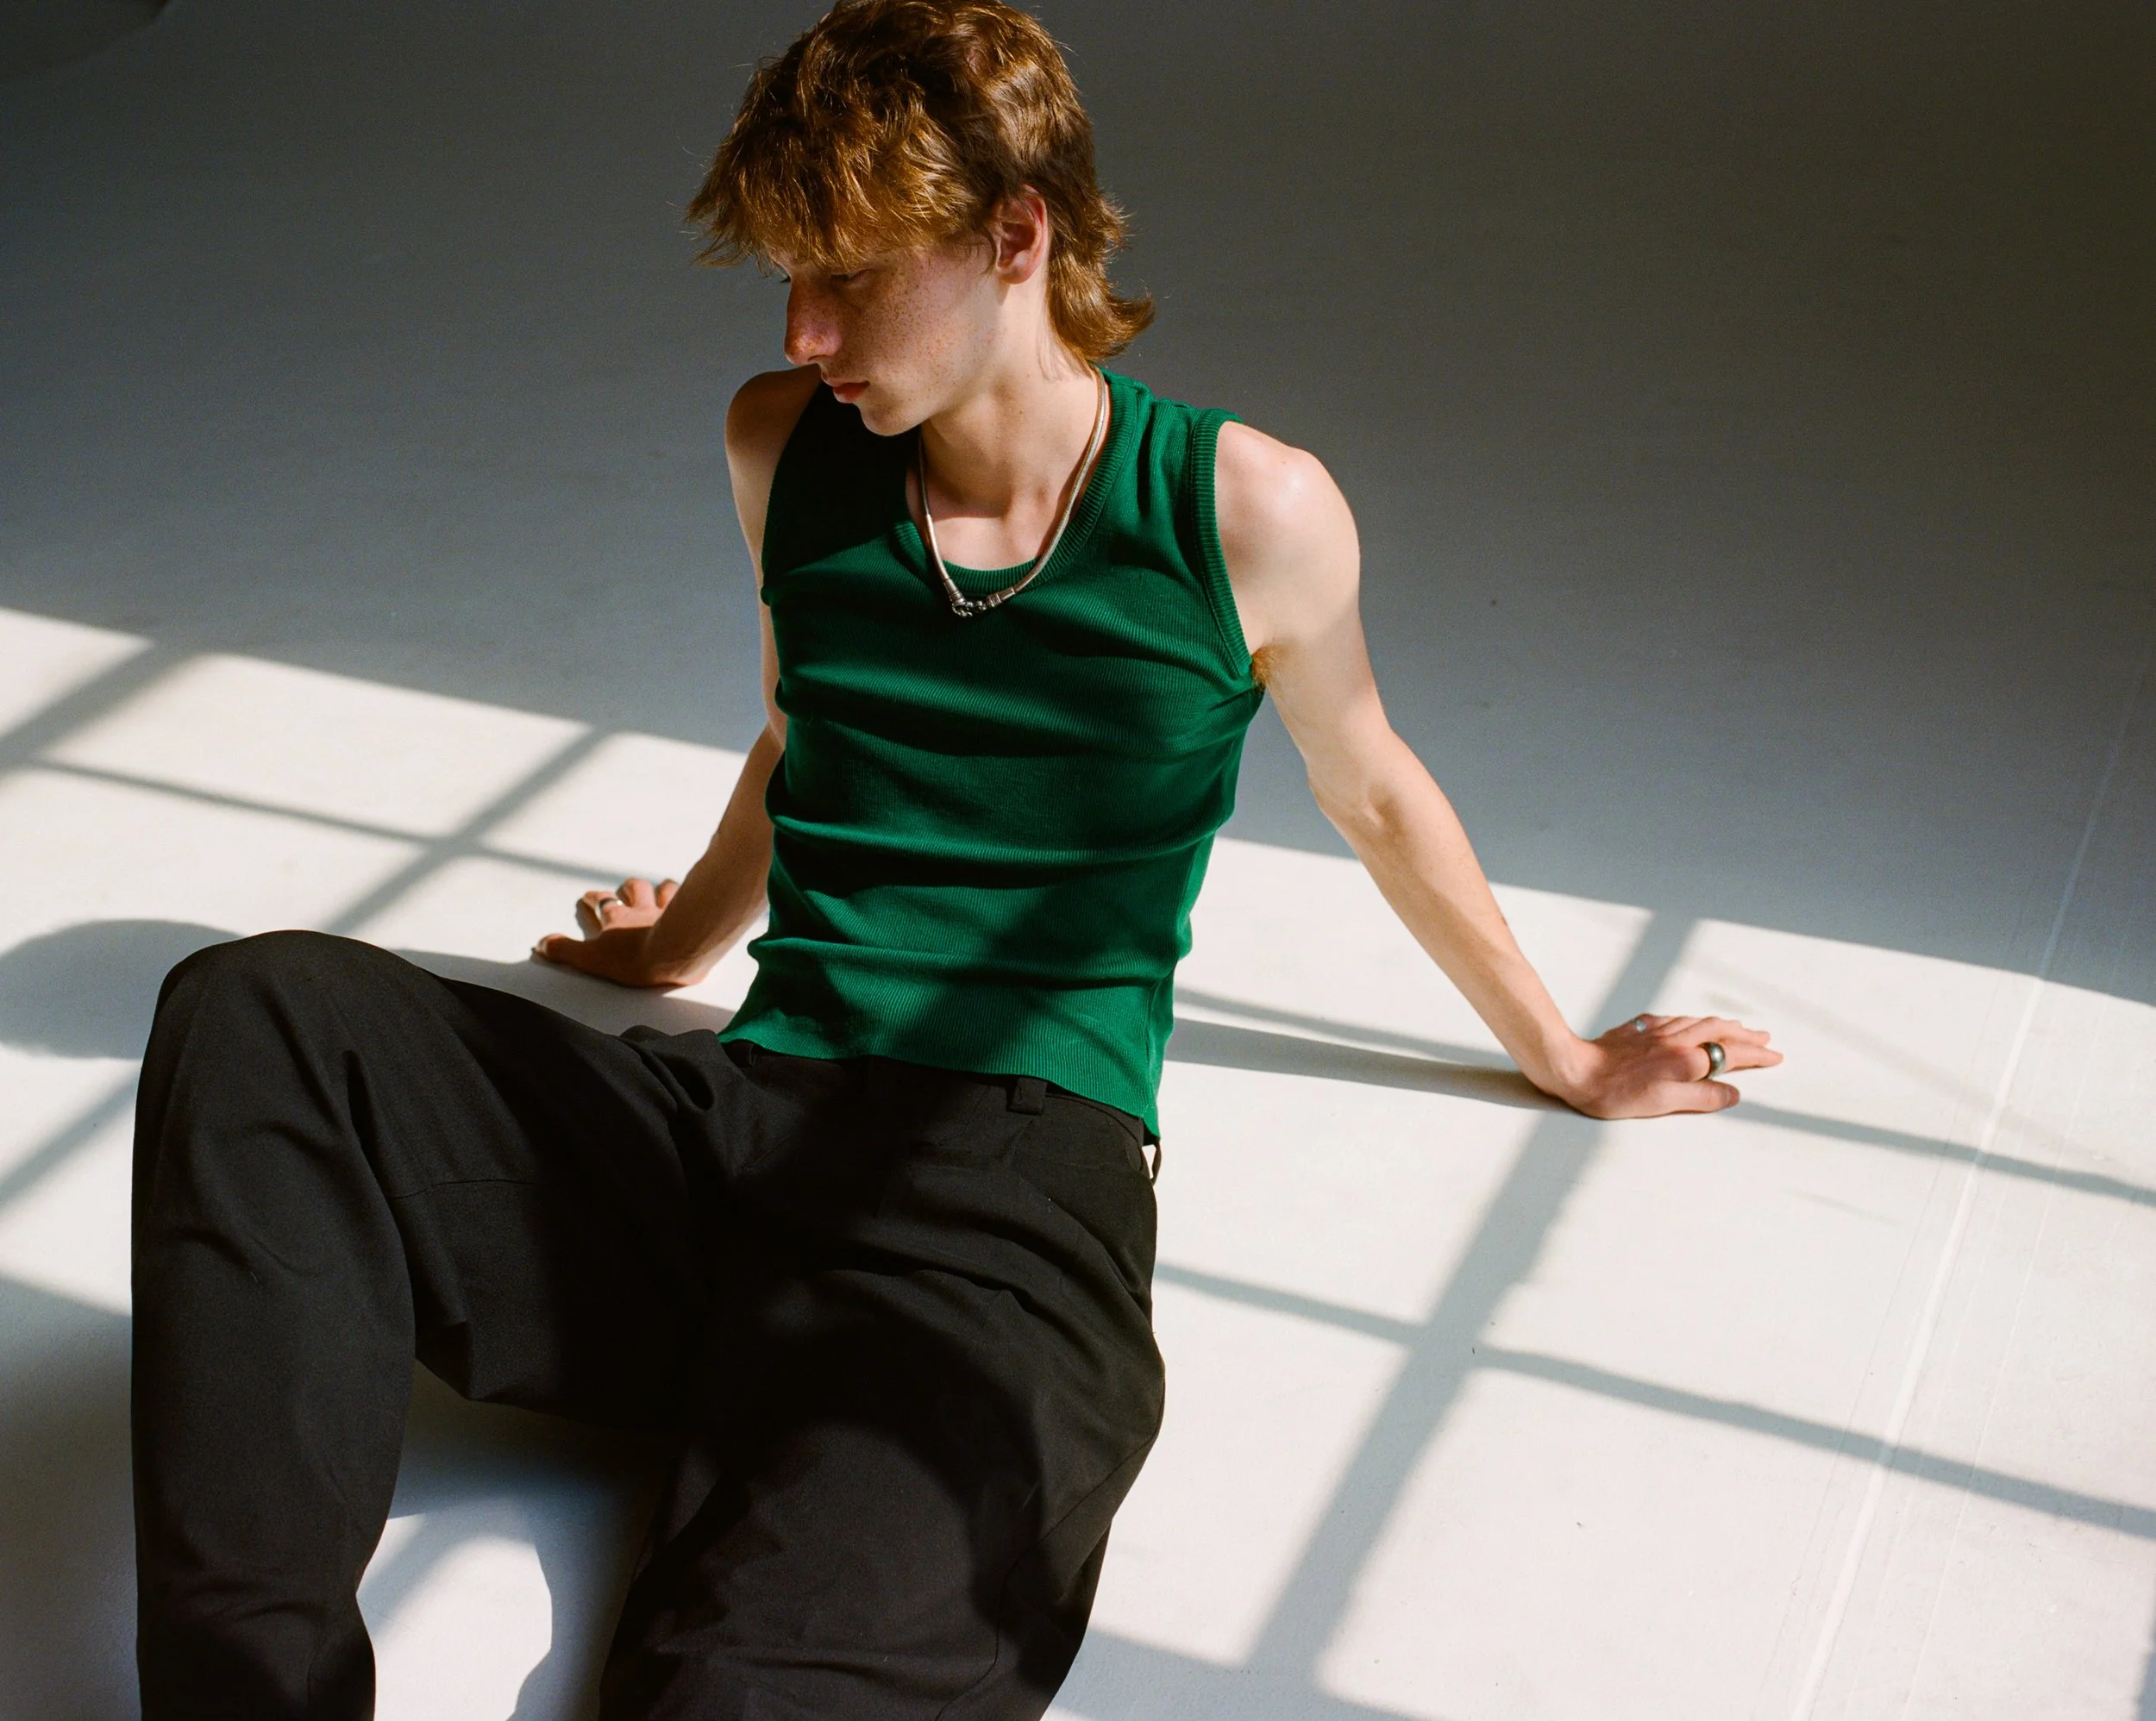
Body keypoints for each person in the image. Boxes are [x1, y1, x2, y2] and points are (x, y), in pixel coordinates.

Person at [129, 2, 1780, 1716]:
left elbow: (1371, 789)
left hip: (1000, 1218)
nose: (803, 325)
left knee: (739, 1690)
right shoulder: (784, 445)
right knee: (266, 1012)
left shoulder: (1243, 509)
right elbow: (803, 733)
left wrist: (1573, 1056)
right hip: (743, 1141)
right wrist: (675, 950)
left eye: (848, 277)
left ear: (1017, 234)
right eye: (787, 275)